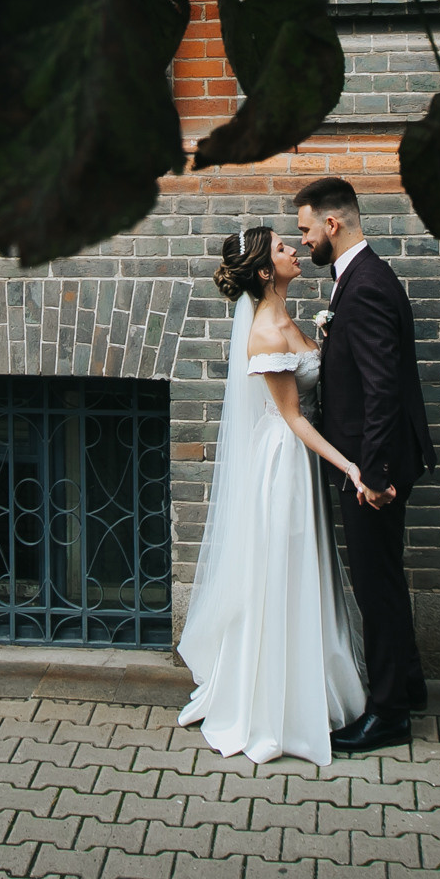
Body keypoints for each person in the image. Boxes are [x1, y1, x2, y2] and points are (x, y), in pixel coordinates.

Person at [176, 226, 368, 765]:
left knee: (302, 568)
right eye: (283, 249)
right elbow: (293, 418)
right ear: (265, 271)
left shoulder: (287, 318)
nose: (295, 250)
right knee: (283, 572)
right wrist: (350, 466)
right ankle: (275, 705)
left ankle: (312, 687)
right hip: (284, 463)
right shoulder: (265, 331)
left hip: (298, 458)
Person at [295, 176, 434, 754]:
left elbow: (381, 391)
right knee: (386, 579)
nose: (304, 240)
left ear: (332, 223)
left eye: (306, 229)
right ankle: (409, 685)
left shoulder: (367, 285)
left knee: (375, 587)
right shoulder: (360, 277)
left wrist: (372, 476)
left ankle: (389, 713)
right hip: (369, 461)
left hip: (372, 469)